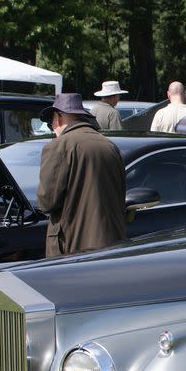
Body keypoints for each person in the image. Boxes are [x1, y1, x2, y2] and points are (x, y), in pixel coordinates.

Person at [36, 92, 126, 257]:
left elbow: (47, 201)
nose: (52, 126)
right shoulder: (109, 146)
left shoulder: (58, 146)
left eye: (51, 121)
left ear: (59, 117)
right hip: (112, 242)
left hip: (72, 247)